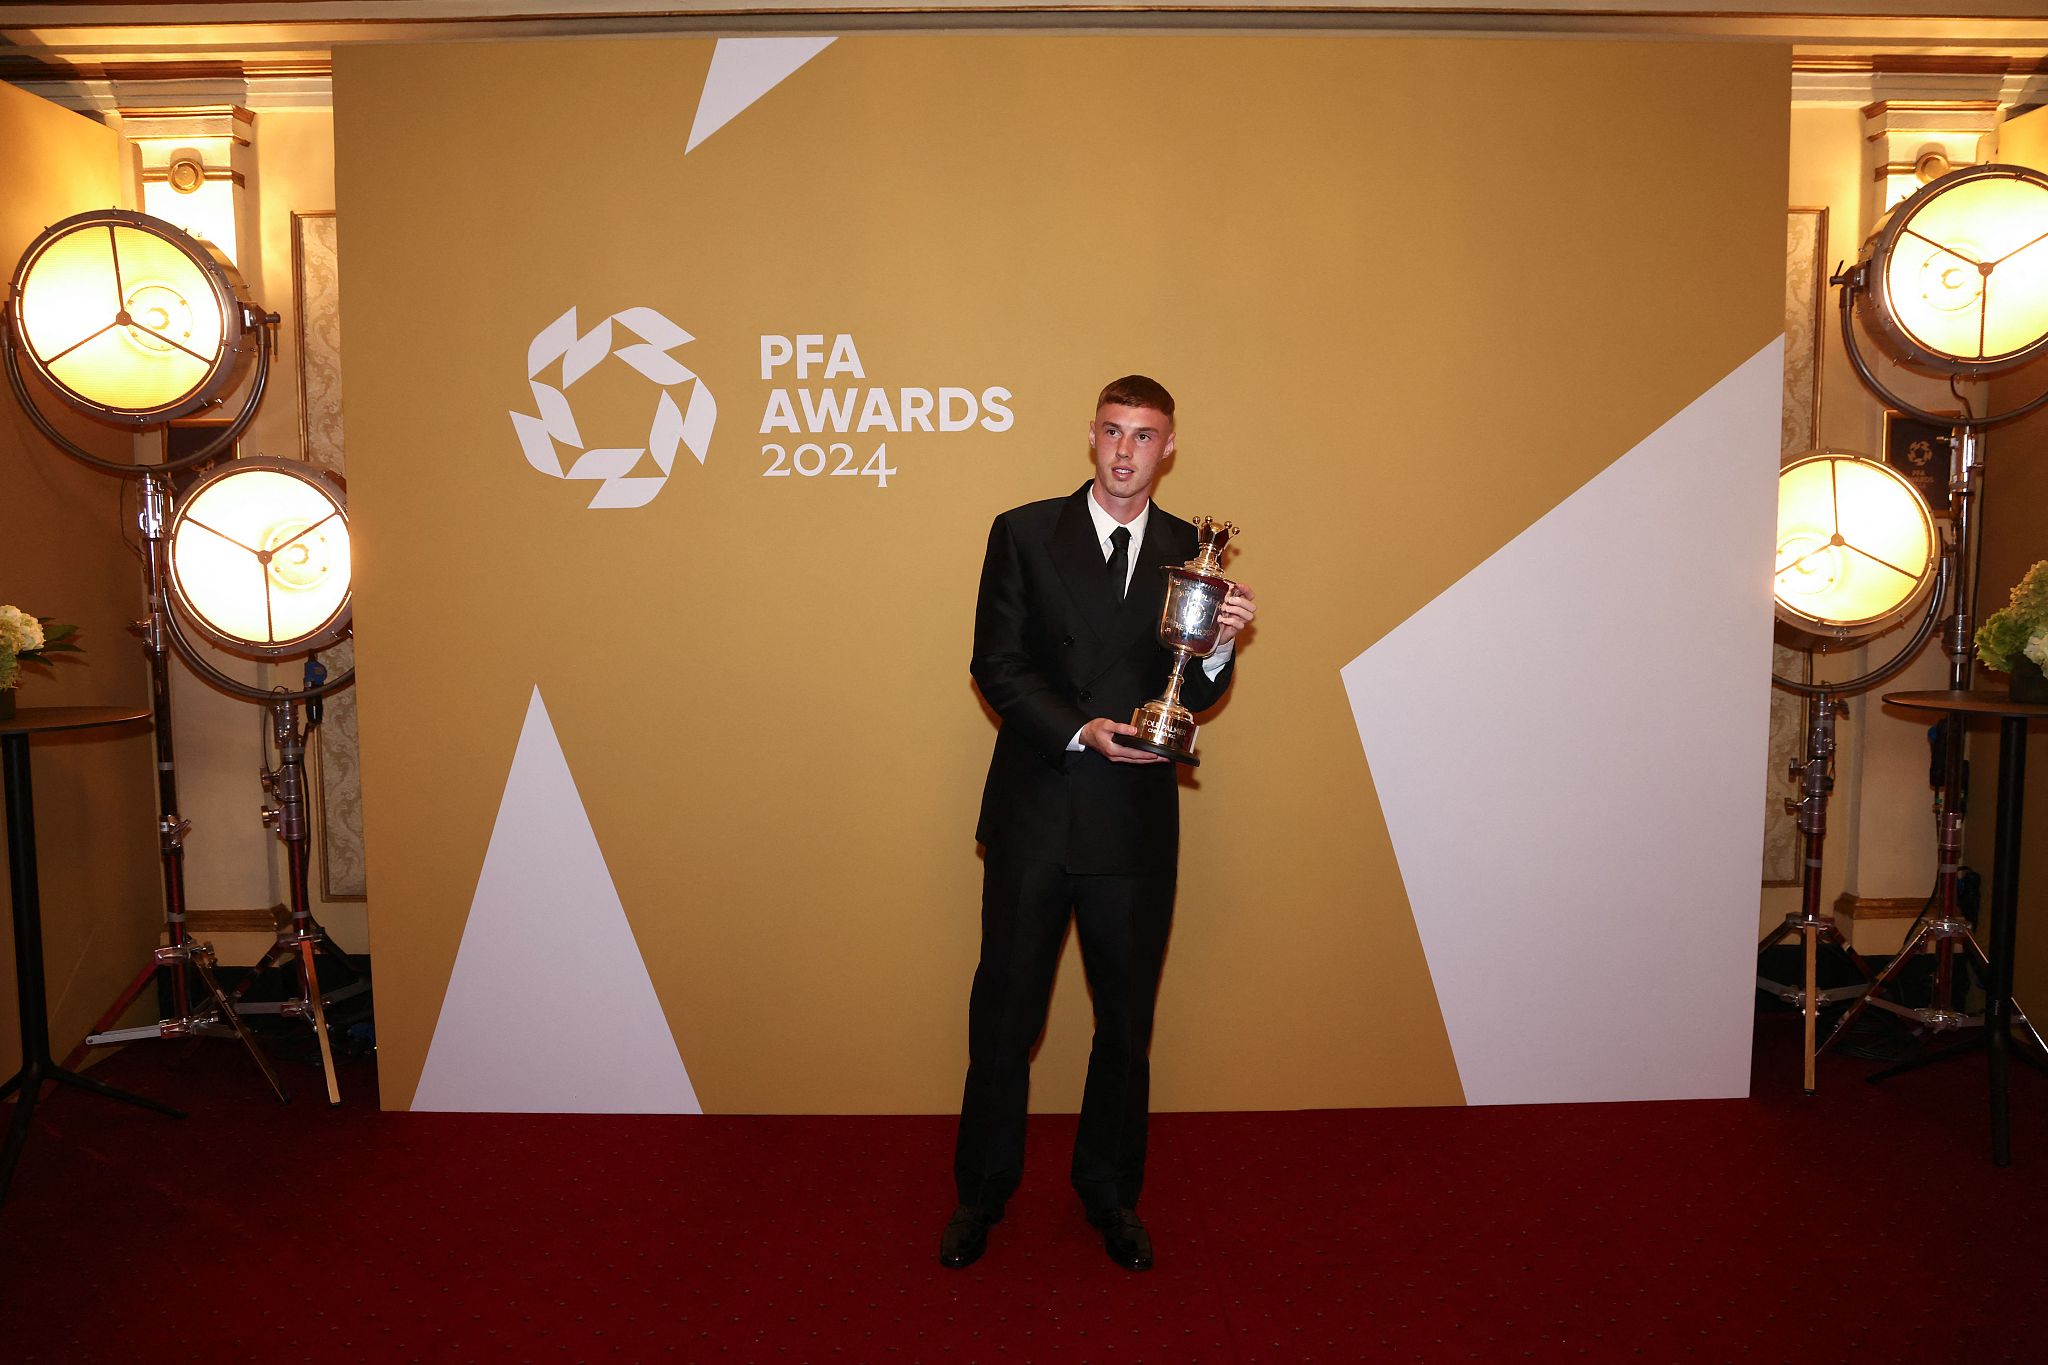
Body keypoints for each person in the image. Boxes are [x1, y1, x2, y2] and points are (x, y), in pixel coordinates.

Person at [941, 374, 1257, 1272]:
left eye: (1145, 435)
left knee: (1124, 1021)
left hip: (1133, 823)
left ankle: (1111, 1194)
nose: (1126, 450)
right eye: (1113, 431)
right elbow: (994, 663)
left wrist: (1224, 642)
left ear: (1167, 448)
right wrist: (1080, 727)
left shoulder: (1190, 551)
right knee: (1005, 1018)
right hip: (1039, 806)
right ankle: (982, 1192)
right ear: (1091, 437)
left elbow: (1186, 690)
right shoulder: (1023, 531)